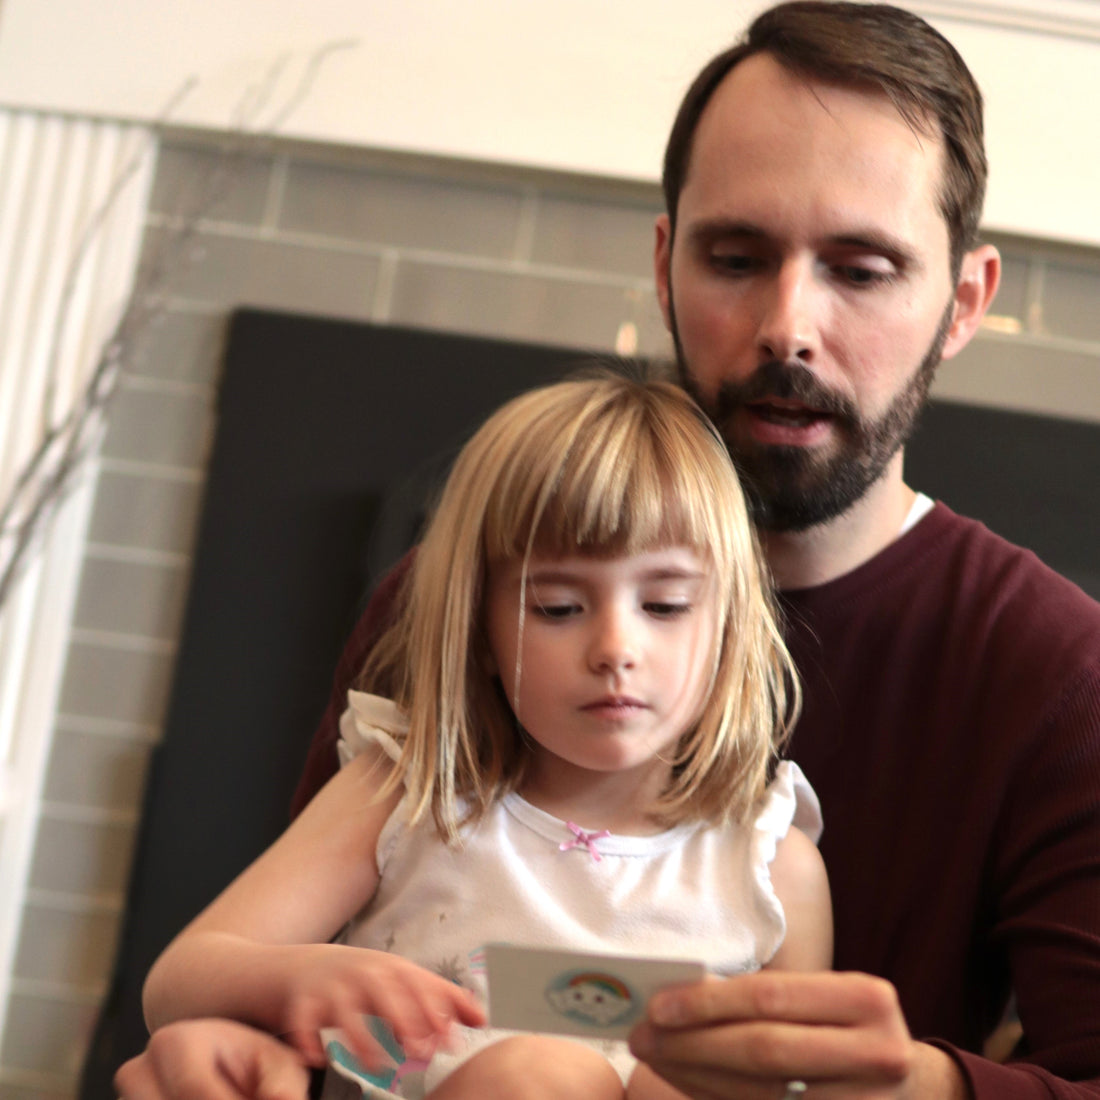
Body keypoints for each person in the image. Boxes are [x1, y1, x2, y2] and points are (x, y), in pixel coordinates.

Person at [117, 2, 1100, 1098]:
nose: (787, 324)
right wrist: (239, 1046)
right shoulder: (445, 601)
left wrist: (914, 1087)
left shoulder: (1054, 673)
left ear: (962, 301)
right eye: (735, 255)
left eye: (860, 269)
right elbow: (300, 982)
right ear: (665, 261)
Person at [139, 374, 833, 1100]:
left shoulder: (770, 867)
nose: (615, 647)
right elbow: (177, 982)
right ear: (479, 633)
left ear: (728, 626)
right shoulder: (406, 796)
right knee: (541, 1077)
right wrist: (302, 976)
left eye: (665, 604)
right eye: (560, 608)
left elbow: (811, 1081)